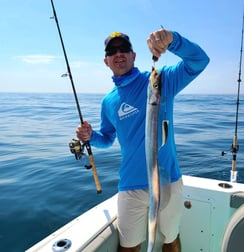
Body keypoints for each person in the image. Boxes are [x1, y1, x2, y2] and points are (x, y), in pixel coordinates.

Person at [76, 29, 209, 252]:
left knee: (171, 240)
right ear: (106, 61)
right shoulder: (108, 102)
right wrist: (91, 137)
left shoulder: (160, 81)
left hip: (167, 181)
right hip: (131, 185)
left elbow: (199, 60)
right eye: (112, 51)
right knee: (128, 247)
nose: (119, 54)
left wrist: (173, 40)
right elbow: (107, 139)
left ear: (134, 55)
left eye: (124, 49)